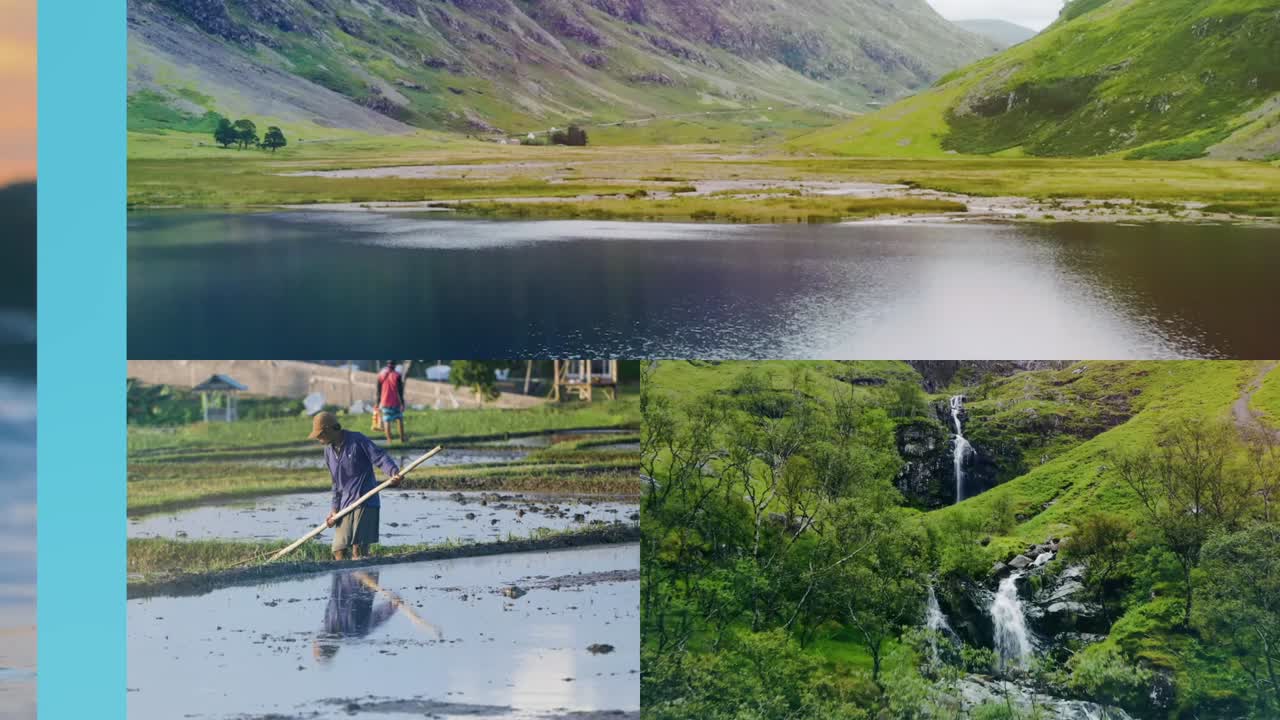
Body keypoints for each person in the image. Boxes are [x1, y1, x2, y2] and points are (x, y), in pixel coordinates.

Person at [308, 411, 403, 560]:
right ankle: (346, 582)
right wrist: (334, 510)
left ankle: (362, 581)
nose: (319, 439)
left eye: (321, 435)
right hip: (345, 505)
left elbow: (379, 457)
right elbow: (336, 483)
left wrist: (393, 472)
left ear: (330, 430)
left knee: (358, 553)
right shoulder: (328, 452)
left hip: (365, 500)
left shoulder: (357, 440)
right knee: (338, 550)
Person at [376, 360, 407, 444]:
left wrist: (377, 403)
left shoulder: (381, 375)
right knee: (399, 419)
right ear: (395, 365)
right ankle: (402, 439)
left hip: (384, 401)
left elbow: (378, 391)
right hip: (395, 401)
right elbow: (400, 391)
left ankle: (389, 440)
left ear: (387, 365)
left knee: (387, 420)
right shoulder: (397, 375)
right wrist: (402, 403)